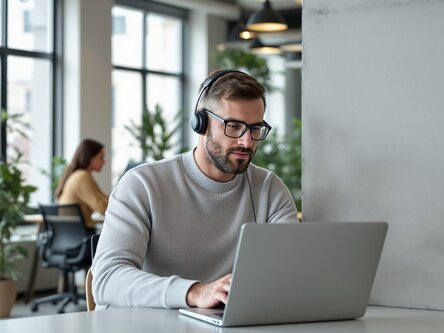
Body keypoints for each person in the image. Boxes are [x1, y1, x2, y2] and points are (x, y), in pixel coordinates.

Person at [92, 69, 298, 310]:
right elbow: (107, 279)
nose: (247, 141)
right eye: (233, 126)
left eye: (255, 128)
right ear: (201, 123)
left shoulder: (269, 189)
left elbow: (291, 272)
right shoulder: (142, 184)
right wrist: (195, 292)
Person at [56, 138, 109, 229]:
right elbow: (102, 208)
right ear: (90, 157)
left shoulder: (76, 175)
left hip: (71, 234)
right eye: (101, 157)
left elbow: (103, 198)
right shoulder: (82, 176)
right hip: (81, 235)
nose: (104, 162)